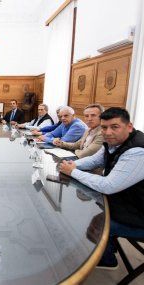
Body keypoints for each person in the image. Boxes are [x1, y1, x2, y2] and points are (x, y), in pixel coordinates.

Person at [59, 107, 144, 269]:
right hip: (128, 201)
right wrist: (72, 164)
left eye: (115, 127)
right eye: (104, 127)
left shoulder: (138, 151)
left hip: (139, 213)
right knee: (90, 211)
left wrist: (73, 172)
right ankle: (108, 248)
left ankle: (106, 259)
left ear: (129, 127)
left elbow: (108, 186)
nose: (108, 132)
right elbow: (94, 161)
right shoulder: (113, 142)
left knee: (93, 223)